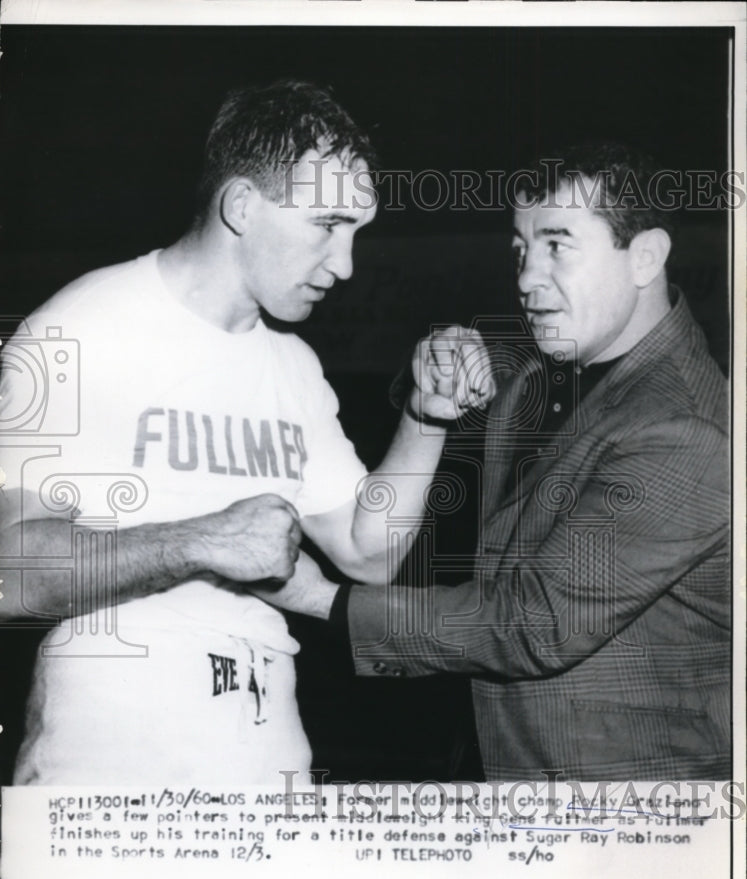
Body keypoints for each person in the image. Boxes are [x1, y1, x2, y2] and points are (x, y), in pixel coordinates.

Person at [0, 79, 493, 784]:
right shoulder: (80, 330)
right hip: (114, 766)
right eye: (325, 224)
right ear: (240, 206)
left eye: (356, 232)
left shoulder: (291, 363)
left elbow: (368, 550)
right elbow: (13, 572)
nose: (345, 264)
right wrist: (201, 541)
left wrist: (425, 416)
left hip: (270, 757)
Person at [281, 141, 731, 781]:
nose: (525, 277)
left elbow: (531, 623)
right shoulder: (560, 361)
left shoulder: (688, 429)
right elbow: (474, 361)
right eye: (520, 250)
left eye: (557, 245)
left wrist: (319, 597)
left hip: (623, 814)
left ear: (646, 257)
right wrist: (437, 363)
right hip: (516, 780)